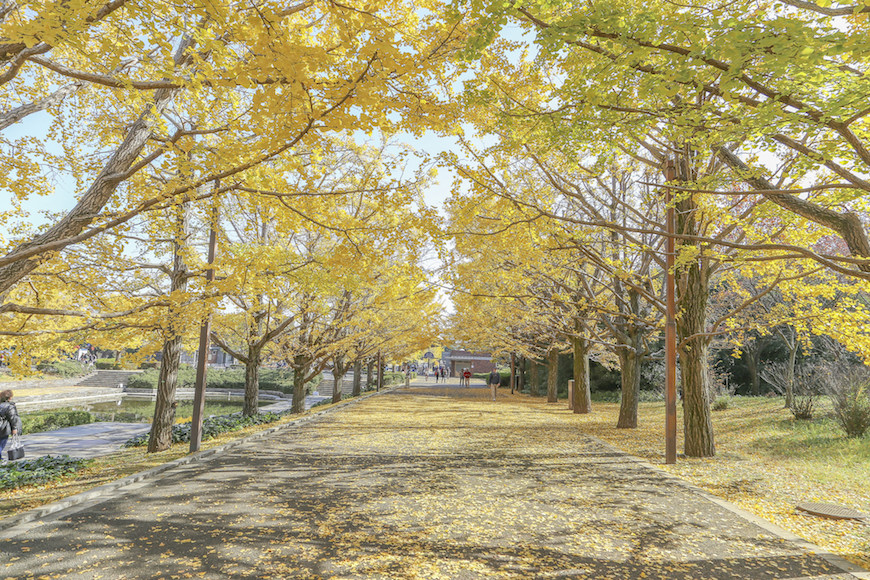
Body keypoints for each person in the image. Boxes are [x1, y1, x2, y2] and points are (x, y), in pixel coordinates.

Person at [0, 390, 22, 458]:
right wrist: (14, 428)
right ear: (10, 398)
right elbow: (13, 418)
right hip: (3, 429)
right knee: (1, 444)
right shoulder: (9, 406)